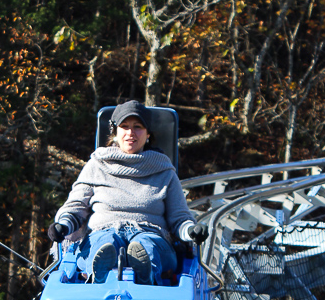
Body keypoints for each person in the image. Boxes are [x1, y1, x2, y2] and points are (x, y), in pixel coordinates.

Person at [47, 100, 208, 285]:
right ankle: (98, 275)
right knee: (105, 242)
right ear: (116, 133)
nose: (131, 133)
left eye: (137, 127)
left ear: (148, 134)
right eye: (124, 126)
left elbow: (179, 218)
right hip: (104, 230)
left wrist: (191, 231)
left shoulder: (164, 171)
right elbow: (76, 206)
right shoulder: (97, 165)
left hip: (151, 232)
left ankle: (146, 276)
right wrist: (64, 225)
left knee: (145, 245)